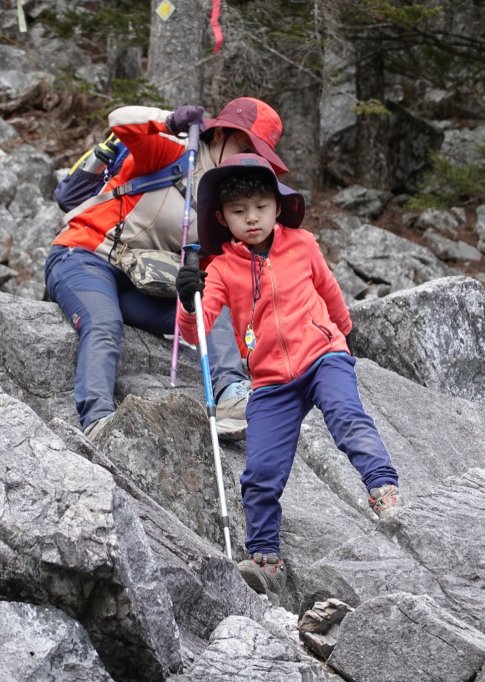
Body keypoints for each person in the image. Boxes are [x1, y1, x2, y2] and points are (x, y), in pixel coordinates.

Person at [174, 153, 401, 603]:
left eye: (260, 206)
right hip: (271, 380)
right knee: (260, 470)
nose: (251, 218)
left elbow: (330, 293)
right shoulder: (219, 269)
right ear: (222, 219)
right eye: (239, 212)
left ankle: (382, 488)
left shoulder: (303, 245)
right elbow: (194, 333)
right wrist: (187, 299)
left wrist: (345, 339)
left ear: (278, 206)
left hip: (323, 355)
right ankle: (264, 557)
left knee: (346, 415)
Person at [45, 98, 290, 440]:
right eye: (243, 144)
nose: (248, 156)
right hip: (84, 254)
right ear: (219, 134)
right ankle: (99, 422)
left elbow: (222, 285)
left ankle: (232, 395)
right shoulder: (173, 153)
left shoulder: (229, 206)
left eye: (257, 151)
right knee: (104, 322)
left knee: (209, 306)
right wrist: (169, 120)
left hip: (139, 286)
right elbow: (119, 119)